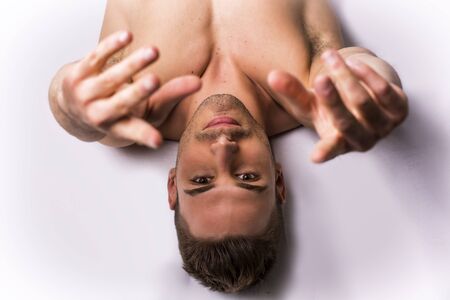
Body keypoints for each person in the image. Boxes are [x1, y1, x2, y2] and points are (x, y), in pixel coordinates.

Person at [48, 0, 408, 293]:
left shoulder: (132, 108)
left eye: (202, 181)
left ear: (173, 185)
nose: (224, 148)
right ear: (278, 181)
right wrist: (372, 91)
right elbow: (354, 68)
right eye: (247, 176)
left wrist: (69, 103)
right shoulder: (311, 93)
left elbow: (79, 109)